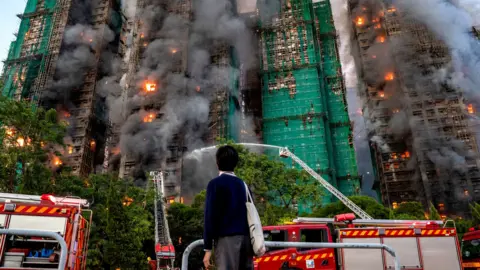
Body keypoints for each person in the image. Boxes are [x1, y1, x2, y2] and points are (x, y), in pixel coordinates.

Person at [203, 145, 253, 270]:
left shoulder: (215, 184)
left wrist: (208, 248)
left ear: (217, 162)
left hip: (227, 242)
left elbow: (210, 217)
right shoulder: (243, 184)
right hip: (246, 242)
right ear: (235, 163)